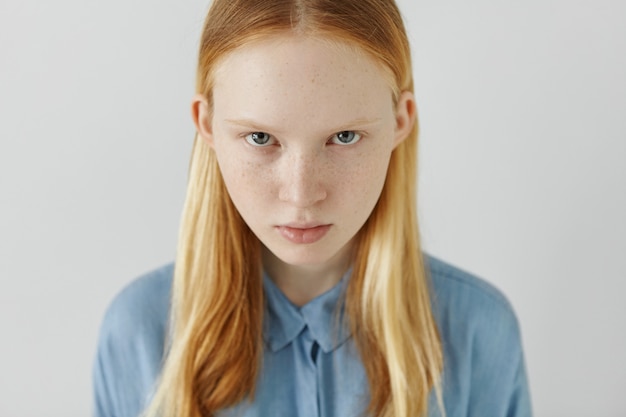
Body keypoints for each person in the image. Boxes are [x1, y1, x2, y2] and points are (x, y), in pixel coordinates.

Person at [93, 0, 532, 416]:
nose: (301, 195)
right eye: (261, 139)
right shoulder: (139, 336)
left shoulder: (478, 333)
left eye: (343, 137)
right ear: (206, 124)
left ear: (400, 120)